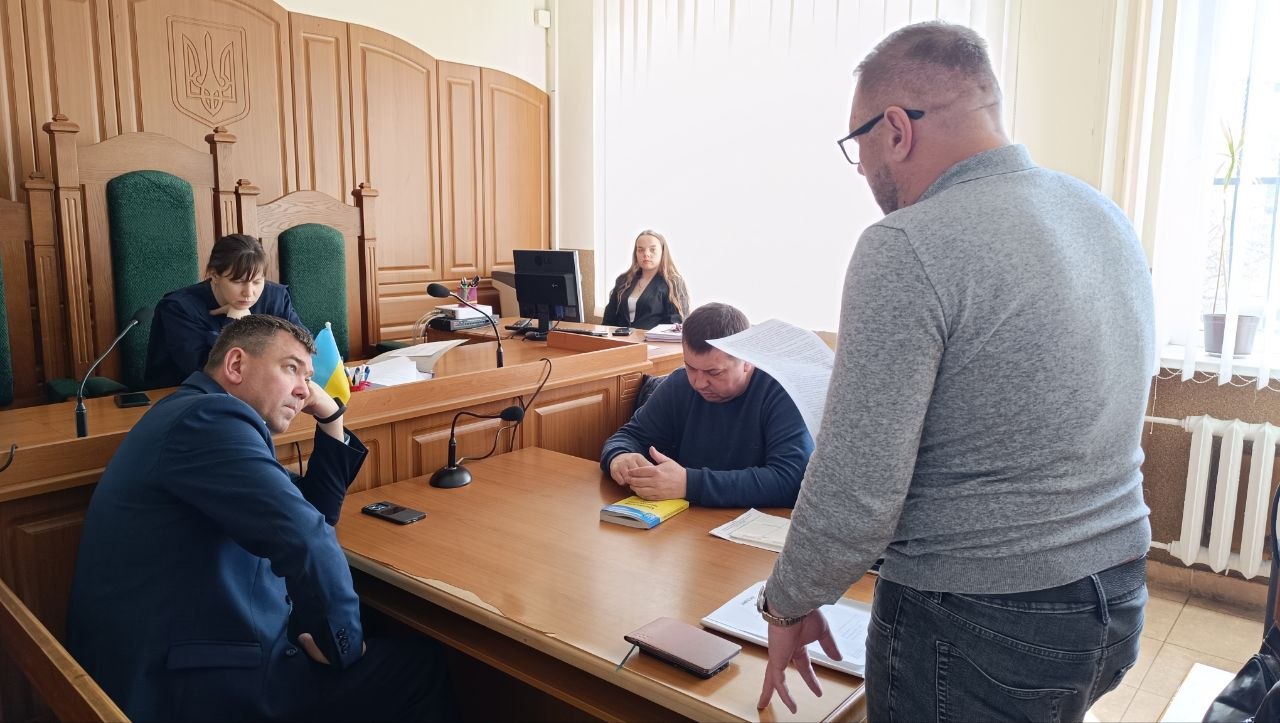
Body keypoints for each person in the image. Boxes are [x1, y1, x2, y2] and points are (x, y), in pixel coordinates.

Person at [755, 21, 1155, 721]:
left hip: (978, 620)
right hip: (1114, 597)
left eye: (857, 144)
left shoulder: (906, 245)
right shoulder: (1101, 215)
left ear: (896, 130)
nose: (862, 170)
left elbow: (858, 489)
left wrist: (787, 600)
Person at [67, 315, 449, 721]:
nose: (304, 390)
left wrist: (331, 416)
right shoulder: (208, 420)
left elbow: (315, 512)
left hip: (177, 646)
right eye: (291, 368)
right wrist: (345, 648)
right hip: (184, 680)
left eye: (308, 377)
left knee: (373, 625)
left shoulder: (194, 412)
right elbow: (307, 537)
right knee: (419, 667)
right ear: (236, 365)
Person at [600, 302, 813, 507]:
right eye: (691, 367)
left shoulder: (782, 393)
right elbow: (629, 436)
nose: (699, 383)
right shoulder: (680, 383)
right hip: (688, 520)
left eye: (714, 372)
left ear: (747, 361)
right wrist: (620, 456)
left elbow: (790, 480)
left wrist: (689, 484)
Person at [145, 233, 305, 388]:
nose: (249, 293)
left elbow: (304, 348)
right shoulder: (178, 308)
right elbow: (212, 373)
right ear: (214, 275)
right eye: (238, 282)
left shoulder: (275, 297)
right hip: (185, 395)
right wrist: (239, 323)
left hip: (263, 391)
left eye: (257, 282)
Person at [601, 229, 691, 329]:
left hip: (654, 338)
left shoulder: (673, 283)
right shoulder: (623, 280)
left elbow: (675, 324)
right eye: (641, 250)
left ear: (663, 252)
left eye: (652, 249)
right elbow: (608, 320)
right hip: (619, 338)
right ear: (636, 253)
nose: (646, 254)